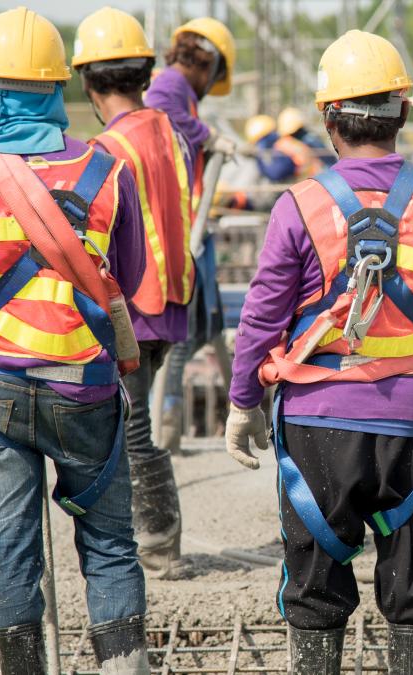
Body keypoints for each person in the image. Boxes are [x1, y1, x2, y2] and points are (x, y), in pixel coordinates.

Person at [222, 30, 413, 675]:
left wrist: (242, 402)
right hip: (410, 421)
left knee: (314, 579)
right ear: (401, 115)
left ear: (328, 120)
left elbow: (262, 315)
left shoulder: (301, 205)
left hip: (318, 419)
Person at [0, 7, 150, 673]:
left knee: (10, 544)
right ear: (57, 89)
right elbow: (125, 280)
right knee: (109, 542)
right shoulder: (107, 173)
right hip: (84, 387)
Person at [73, 6, 197, 580]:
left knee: (133, 427)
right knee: (136, 420)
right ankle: (157, 542)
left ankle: (157, 544)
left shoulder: (106, 150)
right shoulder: (170, 132)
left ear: (90, 83)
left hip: (133, 310)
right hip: (173, 300)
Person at [144, 17, 235, 458]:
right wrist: (208, 136)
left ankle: (169, 420)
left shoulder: (178, 87)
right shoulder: (172, 85)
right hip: (184, 233)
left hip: (193, 227)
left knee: (205, 328)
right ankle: (165, 423)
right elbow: (163, 115)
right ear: (209, 65)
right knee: (183, 334)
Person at [245, 113, 323, 182]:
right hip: (310, 179)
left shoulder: (282, 146)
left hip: (309, 181)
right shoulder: (284, 143)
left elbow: (276, 174)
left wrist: (259, 159)